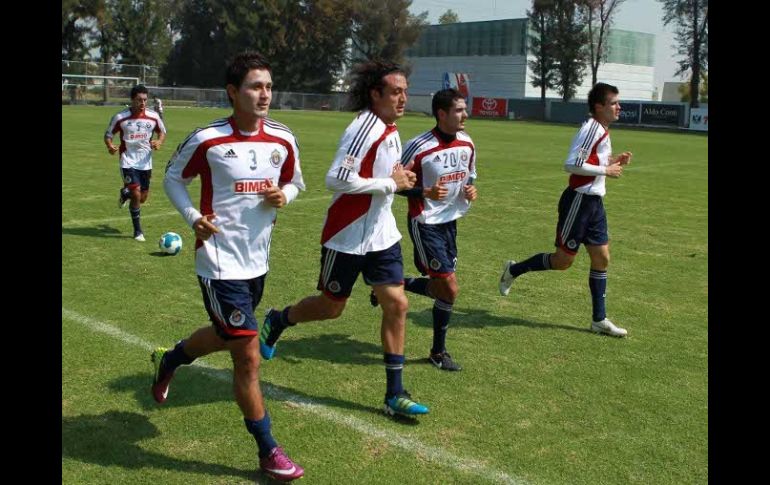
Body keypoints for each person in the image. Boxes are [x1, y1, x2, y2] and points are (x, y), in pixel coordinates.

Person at [153, 51, 305, 481]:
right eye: (256, 87)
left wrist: (285, 196)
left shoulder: (282, 139)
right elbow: (172, 178)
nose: (264, 95)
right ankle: (267, 450)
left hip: (258, 261)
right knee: (248, 355)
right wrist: (193, 219)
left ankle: (172, 358)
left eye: (269, 87)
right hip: (217, 262)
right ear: (233, 92)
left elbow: (297, 181)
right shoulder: (208, 139)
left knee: (226, 336)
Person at [259, 60, 430, 418]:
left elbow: (384, 176)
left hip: (382, 234)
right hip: (347, 234)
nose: (403, 98)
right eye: (396, 92)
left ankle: (394, 394)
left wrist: (400, 178)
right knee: (331, 307)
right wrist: (389, 183)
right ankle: (279, 319)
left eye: (405, 92)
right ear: (376, 94)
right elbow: (336, 179)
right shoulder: (363, 127)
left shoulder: (391, 128)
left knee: (397, 304)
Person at [499, 82, 633, 337]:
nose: (619, 107)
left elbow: (591, 161)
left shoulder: (602, 129)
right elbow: (572, 164)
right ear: (599, 106)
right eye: (614, 102)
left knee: (602, 258)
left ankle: (599, 320)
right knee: (563, 262)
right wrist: (606, 170)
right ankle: (513, 270)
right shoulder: (592, 128)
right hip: (579, 203)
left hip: (595, 203)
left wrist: (613, 161)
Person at [370, 88, 477, 371]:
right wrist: (425, 192)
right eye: (458, 110)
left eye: (464, 109)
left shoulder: (467, 143)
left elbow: (470, 176)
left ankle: (391, 286)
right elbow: (395, 184)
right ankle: (438, 352)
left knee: (443, 288)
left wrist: (469, 190)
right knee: (450, 289)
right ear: (442, 114)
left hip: (450, 223)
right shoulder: (419, 146)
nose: (465, 114)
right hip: (425, 222)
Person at [104, 85, 166, 242]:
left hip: (146, 162)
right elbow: (108, 134)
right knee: (137, 193)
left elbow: (162, 132)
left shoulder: (153, 117)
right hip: (127, 160)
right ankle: (138, 231)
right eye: (139, 100)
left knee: (142, 197)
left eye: (145, 100)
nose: (143, 103)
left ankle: (125, 192)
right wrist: (110, 146)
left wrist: (158, 141)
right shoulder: (120, 118)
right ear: (132, 100)